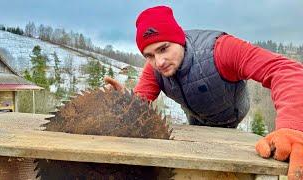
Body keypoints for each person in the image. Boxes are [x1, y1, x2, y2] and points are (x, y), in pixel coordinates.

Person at [104, 6, 303, 179]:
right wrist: (126, 101)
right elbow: (141, 102)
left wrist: (293, 127)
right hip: (196, 122)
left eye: (164, 49)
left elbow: (284, 70)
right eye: (149, 55)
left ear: (179, 39)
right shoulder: (154, 69)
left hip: (230, 118)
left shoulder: (220, 49)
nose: (159, 62)